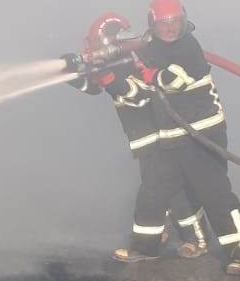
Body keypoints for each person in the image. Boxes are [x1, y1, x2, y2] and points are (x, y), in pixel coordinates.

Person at [112, 0, 240, 275]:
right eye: (164, 22)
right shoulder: (150, 49)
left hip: (203, 133)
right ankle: (146, 248)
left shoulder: (188, 46)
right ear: (153, 23)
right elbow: (139, 92)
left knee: (215, 194)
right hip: (171, 136)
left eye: (175, 20)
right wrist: (109, 79)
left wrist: (150, 73)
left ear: (184, 19)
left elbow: (176, 79)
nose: (171, 27)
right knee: (153, 192)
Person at [62, 13, 209, 261]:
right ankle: (162, 235)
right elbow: (95, 88)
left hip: (162, 134)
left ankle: (191, 239)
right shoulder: (108, 62)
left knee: (172, 192)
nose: (93, 51)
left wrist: (108, 78)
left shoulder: (136, 58)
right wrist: (73, 75)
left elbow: (140, 94)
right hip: (142, 138)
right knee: (161, 191)